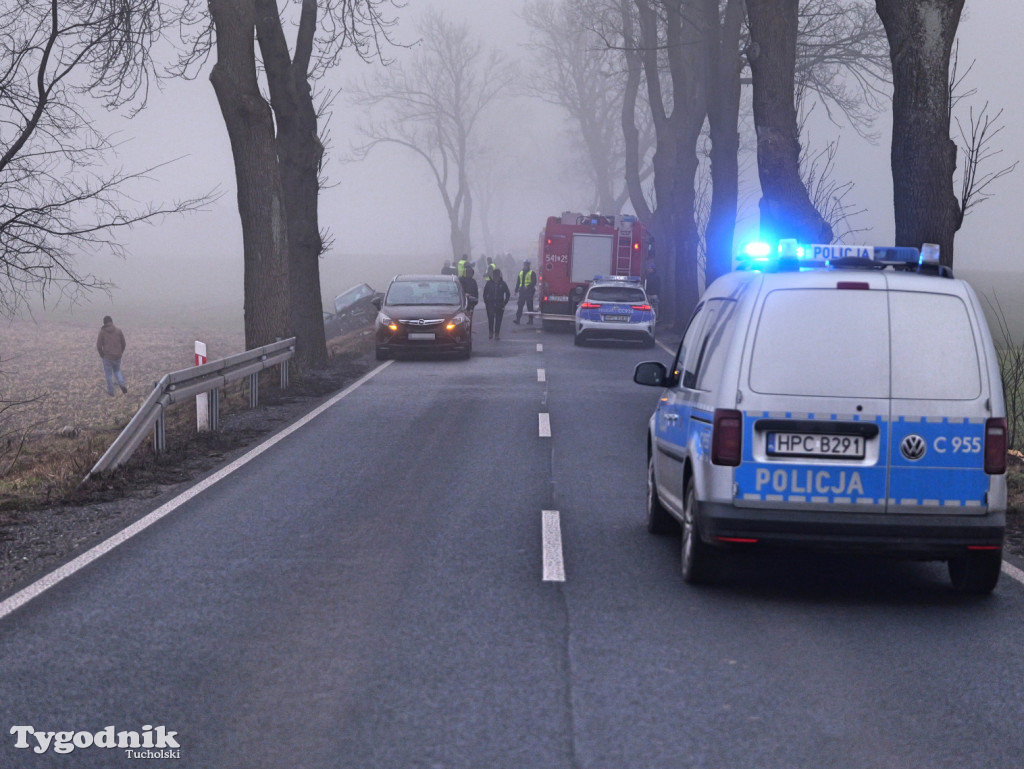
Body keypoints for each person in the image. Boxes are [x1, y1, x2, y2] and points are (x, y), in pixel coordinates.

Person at [96, 315, 127, 396]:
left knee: (108, 374)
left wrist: (102, 355)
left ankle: (111, 392)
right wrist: (120, 352)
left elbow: (99, 346)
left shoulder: (102, 332)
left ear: (104, 323)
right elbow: (124, 343)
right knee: (117, 371)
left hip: (107, 357)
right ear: (112, 322)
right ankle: (121, 384)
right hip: (117, 356)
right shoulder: (118, 331)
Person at [514, 259, 537, 325]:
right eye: (525, 264)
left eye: (527, 264)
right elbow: (518, 282)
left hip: (529, 292)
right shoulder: (521, 272)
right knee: (520, 305)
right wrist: (516, 290)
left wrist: (528, 286)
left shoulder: (532, 273)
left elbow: (534, 282)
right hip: (522, 292)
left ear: (529, 265)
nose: (526, 266)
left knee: (530, 306)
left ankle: (530, 320)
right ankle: (517, 319)